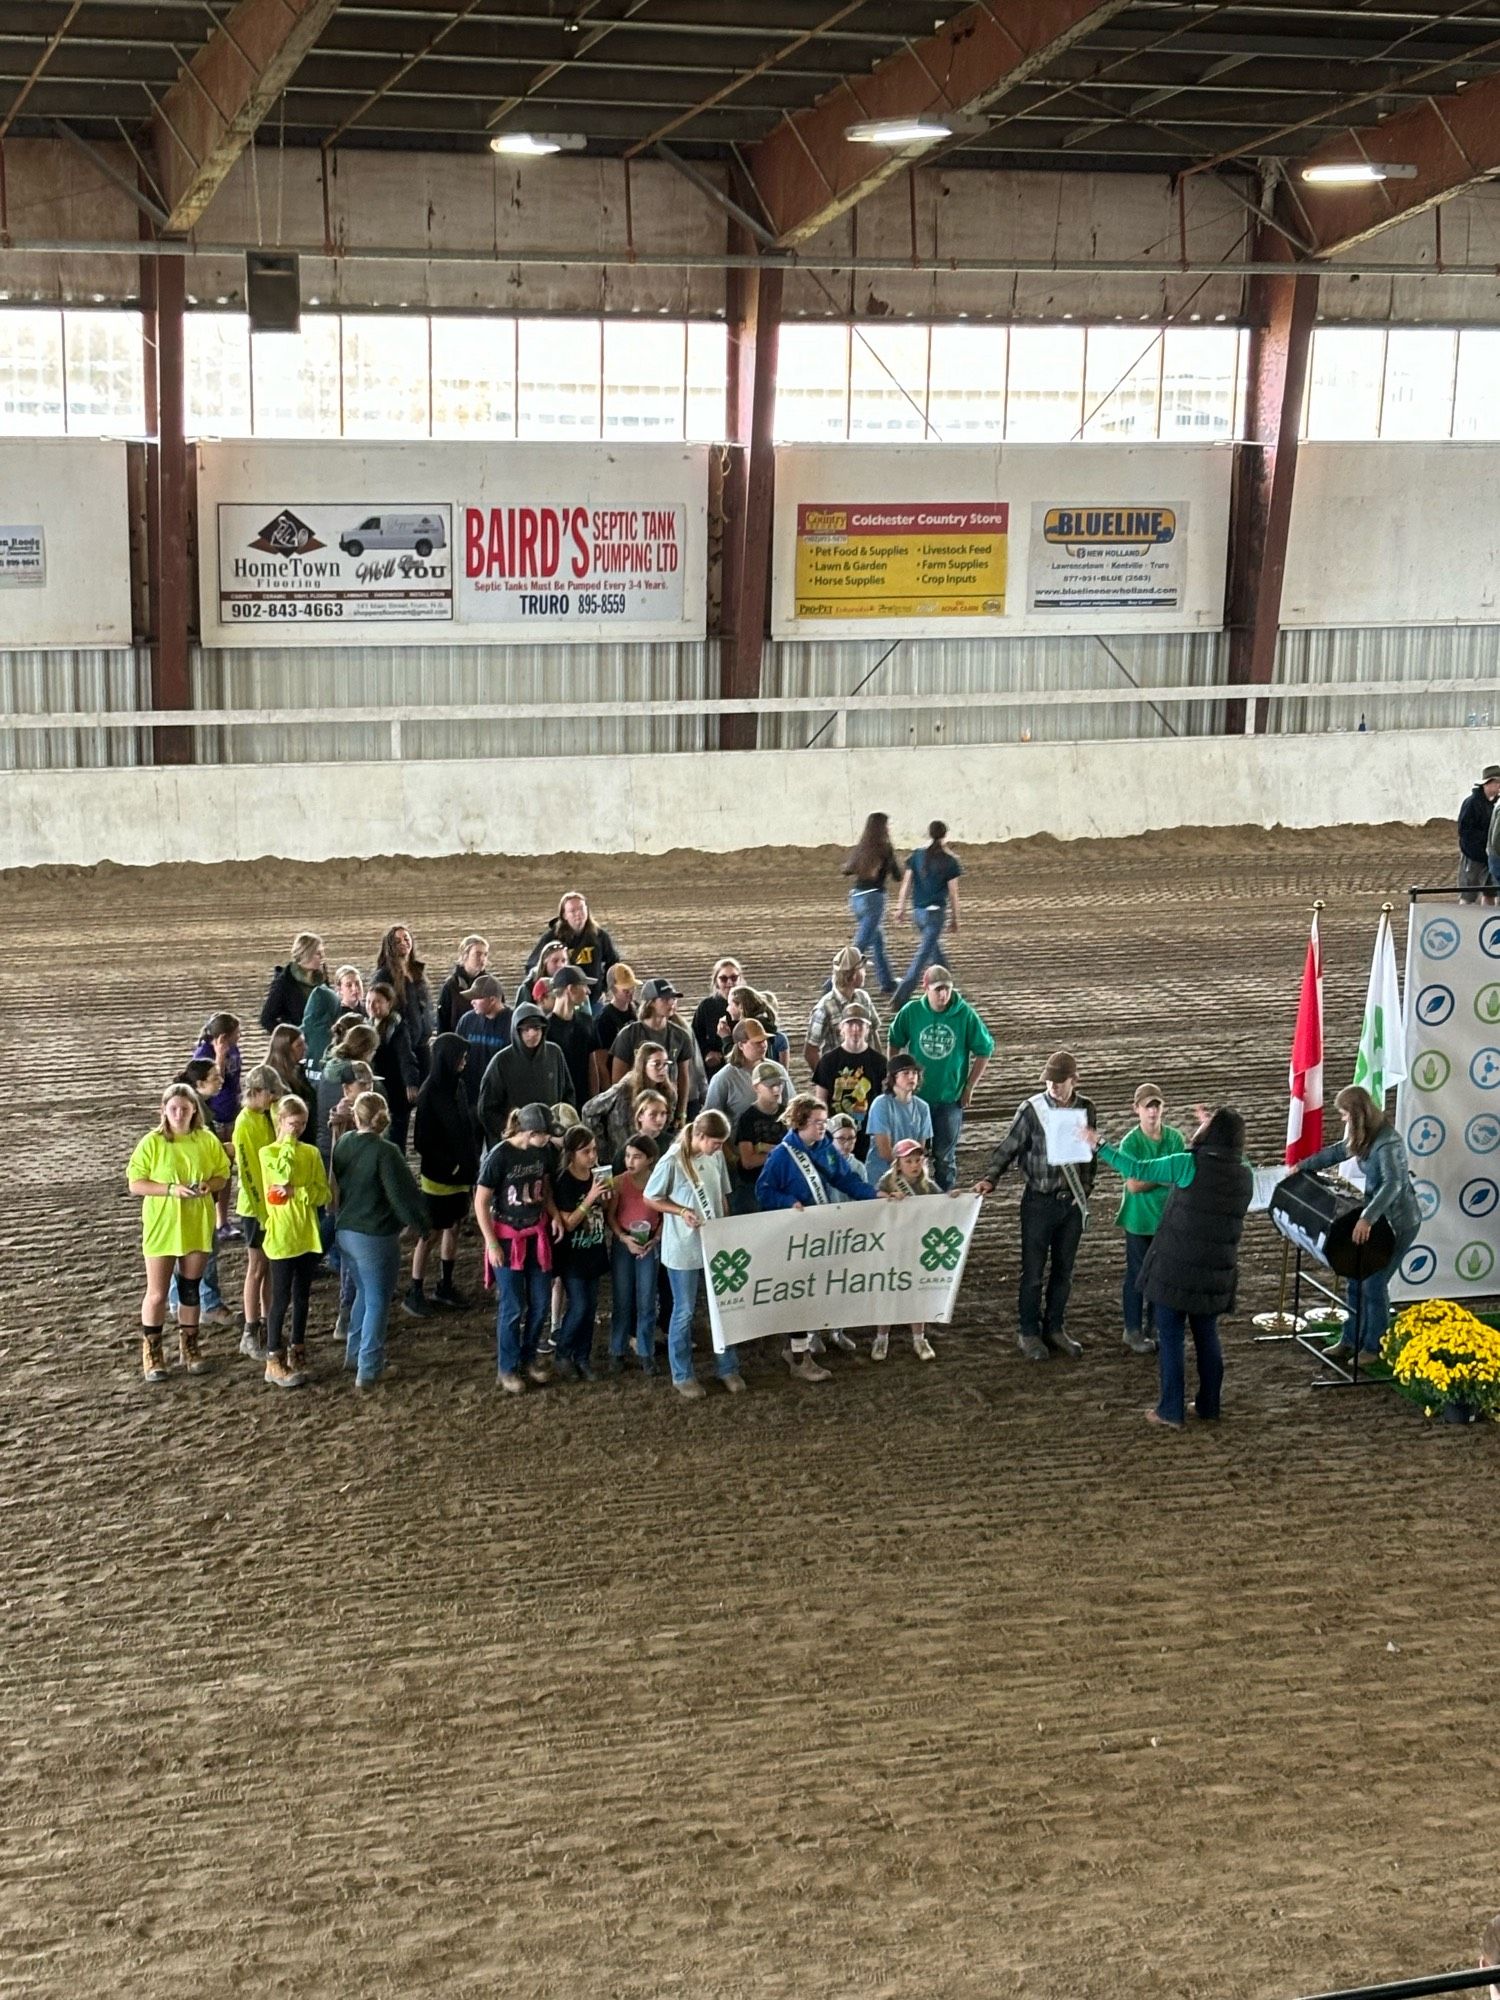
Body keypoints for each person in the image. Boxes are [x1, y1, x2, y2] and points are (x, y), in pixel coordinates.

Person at [1090, 1105, 1252, 1430]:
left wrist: (1100, 1145)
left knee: (1172, 1338)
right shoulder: (1245, 1172)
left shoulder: (1187, 1163)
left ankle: (1170, 1410)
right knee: (1208, 1335)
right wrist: (1213, 1129)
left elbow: (1137, 1168)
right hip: (1216, 1270)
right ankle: (1209, 1404)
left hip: (1176, 1269)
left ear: (1210, 1135)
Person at [975, 1050, 1097, 1362]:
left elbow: (1090, 1154)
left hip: (1070, 1202)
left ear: (1074, 1080)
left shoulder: (1087, 1108)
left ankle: (1055, 1327)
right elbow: (1009, 1146)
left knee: (1063, 1271)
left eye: (1059, 1081)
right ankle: (1028, 1331)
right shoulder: (1032, 1109)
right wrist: (991, 1177)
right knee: (1032, 1272)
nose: (1053, 1087)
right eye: (1050, 1081)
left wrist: (1086, 1190)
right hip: (1039, 1201)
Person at [756, 1095, 880, 1385]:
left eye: (824, 1122)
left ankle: (795, 1348)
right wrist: (788, 1201)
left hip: (816, 1233)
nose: (823, 1128)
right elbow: (764, 1191)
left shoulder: (823, 1147)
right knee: (800, 1293)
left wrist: (874, 1195)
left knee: (810, 1291)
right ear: (800, 1123)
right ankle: (800, 1359)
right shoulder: (782, 1156)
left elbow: (844, 1178)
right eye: (818, 1123)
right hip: (793, 1236)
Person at [1302, 1084, 1422, 1364]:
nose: (1342, 1119)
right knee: (1357, 1280)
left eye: (1344, 1114)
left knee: (1374, 1282)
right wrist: (1305, 1165)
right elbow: (1338, 1152)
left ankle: (1375, 1346)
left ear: (1356, 1115)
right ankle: (1350, 1339)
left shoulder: (1388, 1144)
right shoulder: (1366, 1134)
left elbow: (1394, 1184)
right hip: (1379, 1220)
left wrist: (1367, 1217)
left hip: (1398, 1224)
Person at [126, 1083, 230, 1384]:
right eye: (173, 1108)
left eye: (185, 1108)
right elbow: (136, 1183)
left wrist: (210, 1185)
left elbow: (222, 1174)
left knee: (190, 1287)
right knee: (157, 1293)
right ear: (164, 1111)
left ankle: (189, 1346)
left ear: (194, 1109)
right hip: (163, 1225)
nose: (179, 1113)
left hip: (196, 1223)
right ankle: (153, 1351)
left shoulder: (205, 1140)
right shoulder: (152, 1142)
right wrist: (170, 1190)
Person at [332, 1090, 431, 1391]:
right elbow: (401, 1194)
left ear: (356, 1117)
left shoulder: (344, 1143)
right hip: (375, 1235)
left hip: (345, 1231)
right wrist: (421, 1223)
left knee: (363, 1293)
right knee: (378, 1300)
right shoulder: (386, 1152)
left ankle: (355, 1353)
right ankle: (370, 1366)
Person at [645, 1110, 744, 1400]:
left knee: (723, 1306)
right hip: (683, 1247)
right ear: (700, 1137)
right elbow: (650, 1197)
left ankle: (727, 1366)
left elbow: (722, 1196)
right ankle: (682, 1374)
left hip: (712, 1243)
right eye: (715, 1142)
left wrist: (724, 1227)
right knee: (685, 1310)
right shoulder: (673, 1161)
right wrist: (680, 1211)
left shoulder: (715, 1156)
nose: (718, 1148)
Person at [475, 1103, 563, 1393]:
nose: (548, 1140)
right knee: (513, 1305)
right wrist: (490, 1242)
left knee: (539, 1302)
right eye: (544, 1135)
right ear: (529, 1132)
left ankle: (528, 1357)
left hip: (535, 1231)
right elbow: (481, 1201)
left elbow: (545, 1187)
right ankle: (507, 1366)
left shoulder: (544, 1152)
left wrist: (554, 1215)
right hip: (507, 1237)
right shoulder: (500, 1156)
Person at [887, 965, 993, 1192]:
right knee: (911, 1155)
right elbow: (894, 1039)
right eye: (938, 990)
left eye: (947, 989)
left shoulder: (965, 1015)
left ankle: (944, 1201)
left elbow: (985, 1049)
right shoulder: (911, 1011)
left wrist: (969, 1086)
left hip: (949, 1098)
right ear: (926, 988)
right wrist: (894, 1077)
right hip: (915, 1099)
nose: (943, 995)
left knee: (945, 1157)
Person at [259, 1095, 331, 1389]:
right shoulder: (268, 1154)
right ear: (280, 1121)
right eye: (292, 1124)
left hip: (305, 1234)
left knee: (302, 1297)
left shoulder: (312, 1153)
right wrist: (287, 1145)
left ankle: (298, 1348)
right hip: (282, 1237)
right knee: (280, 1299)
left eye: (301, 1124)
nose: (297, 1129)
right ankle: (274, 1357)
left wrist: (297, 1193)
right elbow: (277, 1184)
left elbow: (322, 1193)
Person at [1111, 1083, 1188, 1356]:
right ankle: (1133, 1328)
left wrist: (1151, 1177)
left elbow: (1173, 1176)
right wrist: (1164, 1175)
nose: (1153, 1111)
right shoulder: (1131, 1143)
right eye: (1148, 1106)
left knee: (1161, 1274)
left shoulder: (1175, 1138)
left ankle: (1154, 1325)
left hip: (1165, 1219)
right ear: (1137, 1110)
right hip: (1140, 1220)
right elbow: (1133, 1185)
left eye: (1157, 1106)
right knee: (1137, 1274)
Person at [409, 1032, 479, 1318]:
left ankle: (445, 1284)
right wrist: (450, 1164)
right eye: (460, 1057)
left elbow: (464, 1124)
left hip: (461, 1175)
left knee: (454, 1227)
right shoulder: (429, 1093)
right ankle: (415, 1290)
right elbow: (421, 1142)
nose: (464, 1062)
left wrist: (468, 1164)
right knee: (431, 1233)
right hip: (439, 1178)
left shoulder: (457, 1086)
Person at [871, 1140, 941, 1363]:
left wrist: (955, 1199)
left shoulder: (928, 1185)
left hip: (916, 1245)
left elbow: (942, 1203)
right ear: (898, 1164)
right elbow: (873, 1202)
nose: (914, 1165)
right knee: (888, 1289)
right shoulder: (887, 1182)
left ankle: (919, 1337)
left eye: (917, 1160)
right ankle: (881, 1337)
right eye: (908, 1161)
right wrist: (886, 1198)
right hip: (891, 1245)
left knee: (916, 1290)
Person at [552, 1126, 612, 1380]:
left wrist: (607, 1197)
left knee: (590, 1308)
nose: (592, 1155)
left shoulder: (597, 1176)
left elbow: (606, 1212)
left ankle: (582, 1357)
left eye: (594, 1150)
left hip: (594, 1250)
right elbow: (568, 1223)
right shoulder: (564, 1182)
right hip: (572, 1256)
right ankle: (563, 1352)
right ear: (572, 1154)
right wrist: (590, 1198)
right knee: (580, 1305)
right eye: (586, 1151)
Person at [231, 1062, 281, 1361]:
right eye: (271, 1093)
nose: (274, 1099)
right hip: (255, 1208)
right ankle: (250, 1331)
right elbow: (248, 1173)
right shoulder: (246, 1124)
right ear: (257, 1092)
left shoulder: (262, 1115)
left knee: (269, 1269)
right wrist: (263, 1213)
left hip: (269, 1204)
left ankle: (266, 1323)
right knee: (257, 1268)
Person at [477, 1002, 574, 1143]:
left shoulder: (554, 1054)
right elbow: (486, 1108)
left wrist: (561, 1127)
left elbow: (568, 1093)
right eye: (526, 1029)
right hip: (517, 1141)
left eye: (537, 1028)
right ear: (517, 1032)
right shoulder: (501, 1061)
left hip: (551, 1139)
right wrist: (511, 1133)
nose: (532, 1033)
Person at [891, 821, 963, 1007]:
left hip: (919, 914)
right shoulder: (950, 861)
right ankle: (901, 996)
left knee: (935, 954)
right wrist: (955, 919)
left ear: (929, 834)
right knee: (922, 956)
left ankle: (949, 988)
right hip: (936, 914)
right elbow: (953, 894)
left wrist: (900, 907)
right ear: (945, 835)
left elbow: (906, 884)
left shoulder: (917, 856)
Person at [608, 1134, 662, 1372]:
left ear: (650, 1159)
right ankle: (617, 1349)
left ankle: (645, 1350)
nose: (630, 1161)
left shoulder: (658, 1183)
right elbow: (611, 1215)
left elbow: (663, 1215)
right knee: (623, 1298)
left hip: (648, 1242)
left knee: (647, 1299)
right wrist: (623, 1237)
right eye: (628, 1155)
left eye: (637, 1157)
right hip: (625, 1241)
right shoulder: (620, 1182)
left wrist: (656, 1239)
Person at [582, 1041, 679, 1159]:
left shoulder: (668, 1093)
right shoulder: (624, 1088)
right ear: (643, 1065)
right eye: (656, 1064)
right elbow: (589, 1110)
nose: (662, 1069)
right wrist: (602, 1146)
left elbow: (665, 1124)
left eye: (665, 1064)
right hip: (621, 1152)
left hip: (649, 1154)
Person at [812, 1007, 887, 1159]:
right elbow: (820, 1099)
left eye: (860, 1025)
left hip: (867, 1132)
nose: (855, 1029)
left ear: (867, 1029)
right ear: (841, 1028)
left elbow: (883, 1100)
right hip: (836, 1133)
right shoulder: (828, 1061)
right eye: (850, 1024)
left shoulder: (879, 1062)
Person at [842, 811, 902, 997]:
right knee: (859, 946)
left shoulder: (862, 847)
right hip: (874, 899)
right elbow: (898, 875)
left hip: (856, 897)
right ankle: (833, 984)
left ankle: (887, 982)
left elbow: (847, 870)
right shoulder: (885, 848)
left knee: (877, 942)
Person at [524, 891, 620, 1003]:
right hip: (562, 998)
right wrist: (548, 988)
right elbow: (532, 965)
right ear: (564, 915)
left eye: (581, 909)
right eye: (572, 911)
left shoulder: (600, 936)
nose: (578, 913)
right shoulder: (552, 937)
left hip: (592, 999)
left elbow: (614, 963)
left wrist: (604, 988)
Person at [372, 924, 435, 1081]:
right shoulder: (384, 975)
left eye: (406, 938)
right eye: (397, 940)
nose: (403, 942)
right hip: (399, 1048)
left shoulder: (417, 972)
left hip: (422, 1045)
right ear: (390, 945)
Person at [804, 946, 883, 1069]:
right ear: (854, 975)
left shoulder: (863, 998)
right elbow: (810, 1051)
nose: (865, 973)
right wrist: (826, 1079)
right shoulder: (824, 1008)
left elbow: (873, 1033)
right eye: (863, 970)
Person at [611, 978, 695, 1089]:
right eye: (665, 999)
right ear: (650, 1002)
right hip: (636, 1100)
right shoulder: (628, 1034)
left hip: (668, 1101)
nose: (671, 1003)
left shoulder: (681, 1035)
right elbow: (618, 1079)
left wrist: (681, 1107)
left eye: (673, 999)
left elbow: (683, 1078)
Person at [865, 1054, 935, 1188]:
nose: (911, 1077)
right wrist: (905, 1169)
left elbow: (920, 1148)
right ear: (893, 1078)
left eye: (915, 1073)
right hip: (882, 1175)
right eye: (905, 1073)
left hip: (911, 1174)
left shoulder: (922, 1107)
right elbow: (884, 1150)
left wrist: (912, 1169)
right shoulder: (881, 1104)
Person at [366, 981, 421, 1151]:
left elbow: (406, 1057)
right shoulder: (366, 1026)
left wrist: (411, 1083)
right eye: (368, 1002)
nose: (372, 1006)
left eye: (377, 1002)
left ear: (389, 1003)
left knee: (395, 1141)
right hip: (376, 1091)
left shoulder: (397, 1029)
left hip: (394, 1093)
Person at [730, 1061, 790, 1214]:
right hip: (754, 1183)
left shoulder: (788, 1115)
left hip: (782, 1182)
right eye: (771, 1085)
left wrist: (763, 1148)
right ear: (756, 1087)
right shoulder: (748, 1118)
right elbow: (748, 1161)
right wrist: (779, 1151)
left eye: (780, 1084)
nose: (777, 1090)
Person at [454, 974, 512, 1110]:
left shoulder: (513, 1022)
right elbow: (456, 1055)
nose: (471, 1002)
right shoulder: (467, 1020)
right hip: (470, 1098)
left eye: (476, 998)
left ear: (492, 1000)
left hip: (499, 1099)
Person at [705, 1019, 775, 1125]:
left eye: (764, 1040)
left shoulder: (777, 1070)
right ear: (741, 1045)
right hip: (737, 1139)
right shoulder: (724, 1078)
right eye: (757, 1042)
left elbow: (789, 1104)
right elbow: (711, 1118)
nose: (764, 1045)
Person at [546, 967, 599, 1106]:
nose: (588, 991)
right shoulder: (545, 1028)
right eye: (584, 986)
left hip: (584, 1101)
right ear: (571, 989)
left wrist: (594, 1102)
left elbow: (592, 1066)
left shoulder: (587, 1022)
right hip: (557, 1103)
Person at [259, 932, 328, 1033]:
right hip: (299, 1044)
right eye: (318, 953)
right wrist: (291, 1038)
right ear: (306, 954)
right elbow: (266, 1019)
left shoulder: (322, 978)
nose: (322, 957)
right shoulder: (285, 982)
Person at [302, 965, 364, 1076]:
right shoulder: (333, 1016)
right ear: (339, 990)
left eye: (358, 983)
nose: (355, 989)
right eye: (349, 985)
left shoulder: (369, 1010)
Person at [691, 957, 744, 1078]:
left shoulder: (748, 1004)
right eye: (724, 979)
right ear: (716, 982)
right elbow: (694, 1036)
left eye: (734, 978)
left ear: (740, 979)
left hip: (744, 1067)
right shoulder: (707, 1006)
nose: (729, 983)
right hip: (715, 1070)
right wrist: (706, 1053)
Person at [593, 963, 639, 1080]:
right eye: (625, 990)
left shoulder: (637, 1009)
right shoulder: (604, 1019)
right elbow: (601, 1063)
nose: (631, 992)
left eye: (632, 988)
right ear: (613, 990)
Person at [438, 935, 490, 1034]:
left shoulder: (491, 985)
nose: (483, 959)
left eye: (485, 954)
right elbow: (443, 1022)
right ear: (465, 955)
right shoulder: (450, 986)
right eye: (478, 954)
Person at [265, 1023, 316, 1121]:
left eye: (304, 1043)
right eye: (299, 1045)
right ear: (285, 1049)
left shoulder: (298, 1071)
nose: (305, 1048)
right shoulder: (272, 1079)